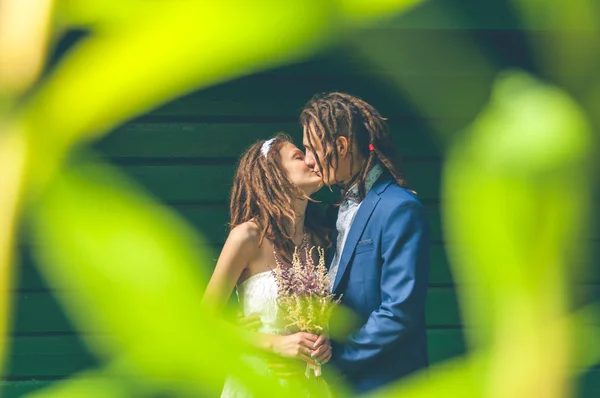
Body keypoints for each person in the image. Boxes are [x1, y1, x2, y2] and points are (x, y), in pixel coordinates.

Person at [300, 92, 430, 394]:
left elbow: (399, 311)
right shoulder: (334, 211)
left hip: (385, 384)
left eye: (310, 148)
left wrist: (335, 360)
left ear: (342, 146)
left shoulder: (399, 208)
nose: (307, 160)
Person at [202, 134, 333, 397]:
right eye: (299, 156)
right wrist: (276, 345)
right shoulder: (248, 236)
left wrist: (323, 345)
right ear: (274, 174)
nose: (311, 161)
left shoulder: (321, 240)